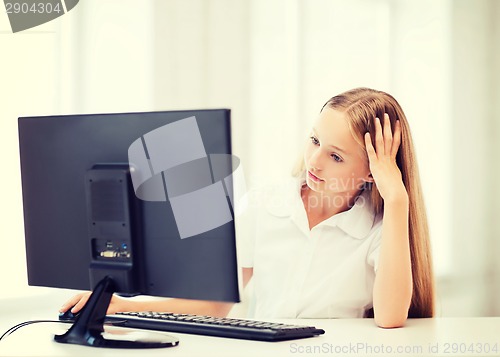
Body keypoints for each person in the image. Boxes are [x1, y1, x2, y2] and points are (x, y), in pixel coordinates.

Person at [60, 87, 434, 328]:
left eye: (335, 155)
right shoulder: (267, 204)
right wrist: (121, 308)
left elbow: (390, 317)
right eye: (314, 140)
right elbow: (214, 306)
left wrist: (397, 199)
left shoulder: (378, 228)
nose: (314, 161)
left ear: (373, 171)